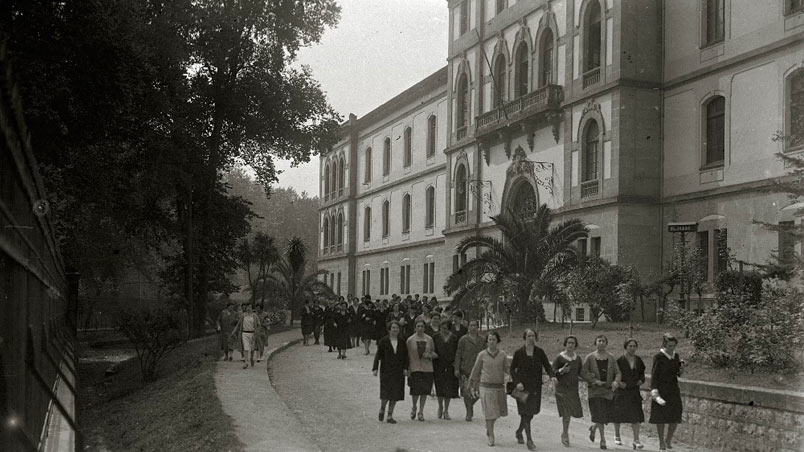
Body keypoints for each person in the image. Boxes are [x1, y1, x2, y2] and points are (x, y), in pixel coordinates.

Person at [510, 329, 558, 451]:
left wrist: (552, 376)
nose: (531, 338)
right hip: (522, 388)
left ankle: (519, 431)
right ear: (524, 337)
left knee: (531, 413)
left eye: (533, 336)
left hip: (536, 387)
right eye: (529, 335)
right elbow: (512, 370)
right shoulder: (519, 353)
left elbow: (547, 366)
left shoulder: (540, 352)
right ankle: (529, 440)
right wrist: (517, 382)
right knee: (525, 412)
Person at [468, 331, 509, 447]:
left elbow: (507, 369)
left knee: (496, 413)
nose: (491, 342)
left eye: (494, 339)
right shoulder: (482, 354)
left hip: (499, 386)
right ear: (487, 341)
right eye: (489, 339)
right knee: (490, 411)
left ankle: (489, 425)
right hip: (486, 386)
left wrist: (516, 375)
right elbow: (476, 370)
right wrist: (471, 383)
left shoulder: (502, 354)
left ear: (498, 341)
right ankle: (491, 435)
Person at [582, 335, 622, 450]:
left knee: (604, 416)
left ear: (606, 343)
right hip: (595, 391)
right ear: (595, 343)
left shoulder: (611, 357)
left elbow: (618, 372)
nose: (601, 343)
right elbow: (583, 372)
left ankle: (594, 428)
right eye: (599, 341)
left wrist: (616, 381)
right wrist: (594, 380)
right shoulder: (590, 357)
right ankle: (603, 440)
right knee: (599, 414)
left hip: (608, 391)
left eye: (603, 341)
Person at [650, 334, 685, 452]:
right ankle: (661, 443)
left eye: (674, 346)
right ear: (664, 345)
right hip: (661, 389)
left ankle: (668, 439)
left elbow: (677, 373)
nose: (672, 348)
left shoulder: (676, 356)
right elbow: (654, 375)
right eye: (669, 346)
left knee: (675, 415)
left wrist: (681, 369)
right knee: (660, 417)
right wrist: (654, 391)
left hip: (673, 389)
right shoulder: (658, 357)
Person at [612, 338, 646, 449]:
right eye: (630, 346)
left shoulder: (638, 360)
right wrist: (620, 383)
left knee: (635, 416)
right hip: (622, 391)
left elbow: (642, 374)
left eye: (634, 346)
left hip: (634, 391)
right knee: (618, 415)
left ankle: (636, 440)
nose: (632, 348)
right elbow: (615, 374)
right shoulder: (620, 360)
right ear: (625, 347)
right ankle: (617, 436)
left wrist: (641, 380)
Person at [372, 320, 409, 424]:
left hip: (398, 371)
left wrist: (406, 368)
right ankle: (382, 408)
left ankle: (390, 415)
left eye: (397, 328)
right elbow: (378, 355)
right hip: (386, 371)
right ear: (389, 329)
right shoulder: (383, 341)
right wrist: (375, 368)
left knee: (395, 394)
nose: (395, 330)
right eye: (393, 328)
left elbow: (406, 357)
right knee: (386, 393)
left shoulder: (402, 341)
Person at [553, 335, 584, 447]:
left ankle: (564, 432)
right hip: (562, 389)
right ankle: (565, 434)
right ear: (565, 344)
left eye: (573, 343)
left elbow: (581, 372)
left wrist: (592, 378)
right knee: (566, 412)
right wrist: (561, 370)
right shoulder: (560, 358)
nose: (570, 345)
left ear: (575, 345)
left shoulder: (578, 358)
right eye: (569, 343)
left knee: (570, 412)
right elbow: (552, 372)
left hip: (573, 389)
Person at [454, 319, 484, 421]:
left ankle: (471, 405)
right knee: (466, 393)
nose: (473, 327)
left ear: (478, 327)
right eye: (471, 325)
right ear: (468, 327)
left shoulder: (482, 340)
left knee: (478, 393)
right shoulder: (463, 340)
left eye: (475, 325)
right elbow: (458, 354)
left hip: (478, 370)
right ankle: (469, 411)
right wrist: (457, 368)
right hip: (465, 369)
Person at [406, 319, 436, 421]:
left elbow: (434, 352)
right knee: (415, 391)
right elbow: (407, 355)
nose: (420, 328)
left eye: (422, 326)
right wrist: (408, 369)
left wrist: (429, 355)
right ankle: (414, 407)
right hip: (415, 367)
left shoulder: (429, 339)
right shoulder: (410, 340)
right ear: (415, 328)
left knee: (424, 391)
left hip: (427, 368)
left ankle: (421, 411)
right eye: (418, 326)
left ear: (424, 328)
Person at [433, 319, 460, 420]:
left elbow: (457, 352)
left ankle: (446, 410)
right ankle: (440, 407)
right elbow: (432, 349)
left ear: (449, 328)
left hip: (450, 365)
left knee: (448, 387)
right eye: (441, 328)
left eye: (445, 328)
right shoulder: (435, 337)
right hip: (438, 364)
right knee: (439, 386)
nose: (443, 330)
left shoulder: (454, 338)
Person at [232, 303, 262, 369]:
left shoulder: (255, 316)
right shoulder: (243, 316)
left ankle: (251, 358)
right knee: (246, 348)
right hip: (244, 333)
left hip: (253, 333)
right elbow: (238, 324)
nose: (248, 309)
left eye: (250, 307)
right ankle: (246, 362)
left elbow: (259, 325)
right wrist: (233, 331)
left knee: (252, 349)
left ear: (252, 308)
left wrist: (257, 332)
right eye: (247, 307)